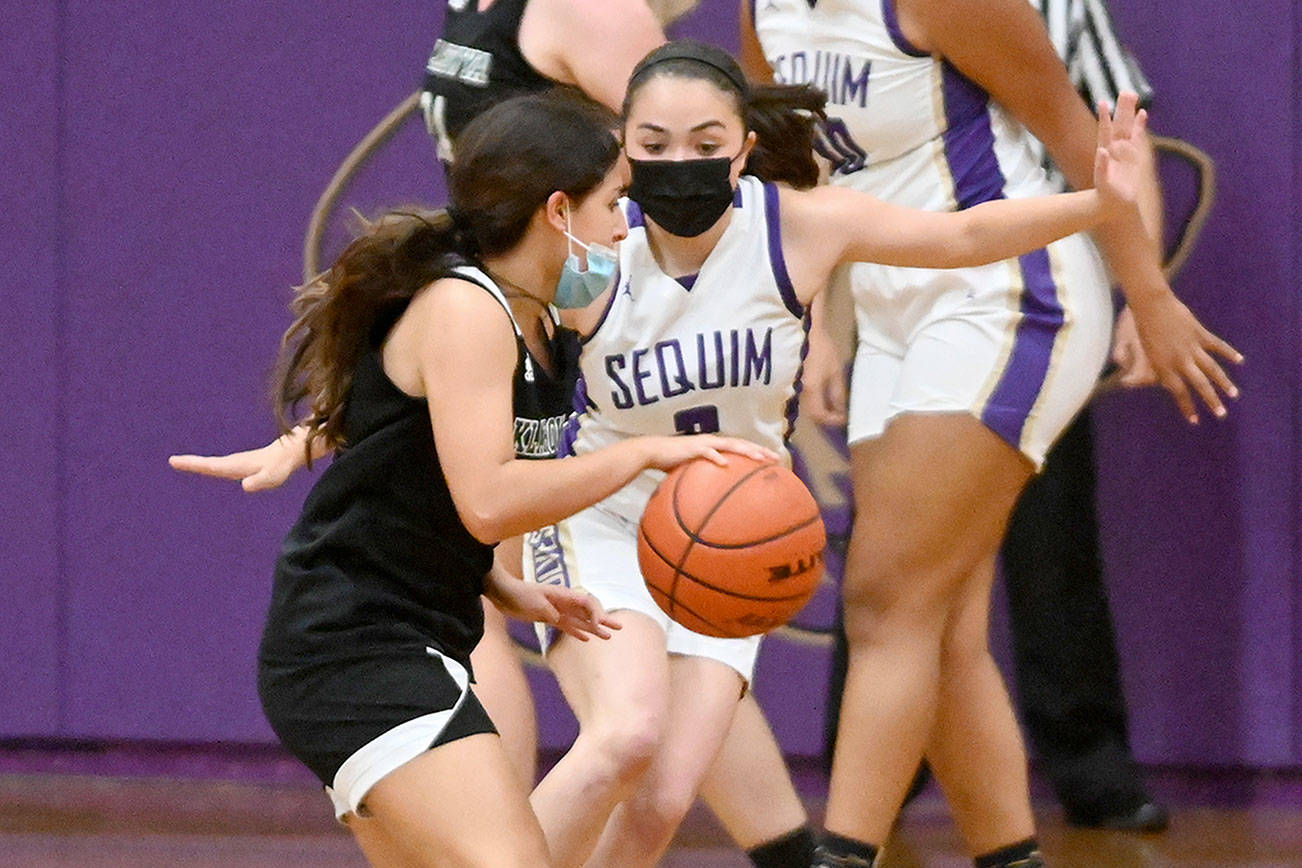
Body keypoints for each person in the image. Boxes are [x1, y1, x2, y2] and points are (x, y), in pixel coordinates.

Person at [519, 39, 1160, 868]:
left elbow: (964, 237)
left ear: (744, 148)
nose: (681, 163)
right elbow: (468, 325)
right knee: (624, 740)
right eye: (655, 145)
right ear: (623, 145)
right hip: (598, 523)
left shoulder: (797, 226)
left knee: (664, 800)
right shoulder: (587, 254)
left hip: (717, 544)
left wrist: (1096, 205)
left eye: (706, 146)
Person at [171, 92, 776, 867]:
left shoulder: (544, 322)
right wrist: (637, 457)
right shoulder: (468, 308)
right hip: (351, 646)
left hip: (420, 631)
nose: (625, 225)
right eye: (614, 201)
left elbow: (417, 480)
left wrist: (501, 587)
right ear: (557, 211)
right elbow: (486, 499)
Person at [745, 2, 1240, 866]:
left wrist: (1148, 296)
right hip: (891, 310)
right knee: (942, 624)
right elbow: (789, 168)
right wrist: (821, 323)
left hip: (1007, 293)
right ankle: (1013, 857)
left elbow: (1083, 139)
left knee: (886, 600)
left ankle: (841, 855)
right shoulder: (769, 8)